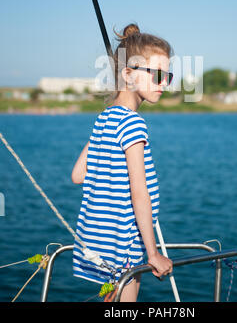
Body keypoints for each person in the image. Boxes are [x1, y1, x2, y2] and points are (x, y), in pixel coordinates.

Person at [71, 23, 174, 302]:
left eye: (169, 76)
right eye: (157, 75)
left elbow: (78, 175)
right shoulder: (133, 125)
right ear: (128, 75)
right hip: (125, 244)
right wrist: (152, 253)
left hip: (100, 242)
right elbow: (139, 192)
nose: (164, 83)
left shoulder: (105, 119)